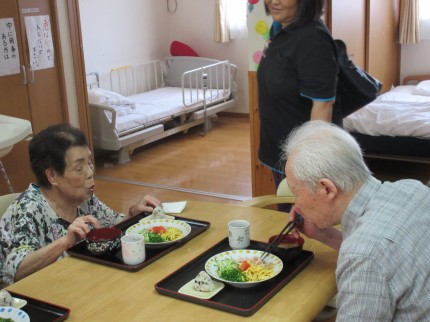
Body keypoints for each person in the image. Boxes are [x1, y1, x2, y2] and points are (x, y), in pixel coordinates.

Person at [282, 120, 430, 321]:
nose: (296, 204)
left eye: (295, 192)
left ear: (327, 189)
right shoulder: (413, 189)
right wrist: (321, 234)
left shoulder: (363, 256)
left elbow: (370, 255)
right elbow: (385, 256)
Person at [0, 124, 161, 288]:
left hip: (77, 283)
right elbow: (16, 271)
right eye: (79, 168)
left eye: (89, 163)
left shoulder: (83, 198)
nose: (90, 173)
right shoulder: (28, 210)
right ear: (52, 176)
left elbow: (112, 225)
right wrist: (66, 241)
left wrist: (133, 213)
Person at [257, 0, 341, 195]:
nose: (274, 1)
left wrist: (310, 167)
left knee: (303, 222)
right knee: (288, 218)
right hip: (281, 153)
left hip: (304, 164)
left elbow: (323, 104)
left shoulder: (313, 39)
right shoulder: (279, 29)